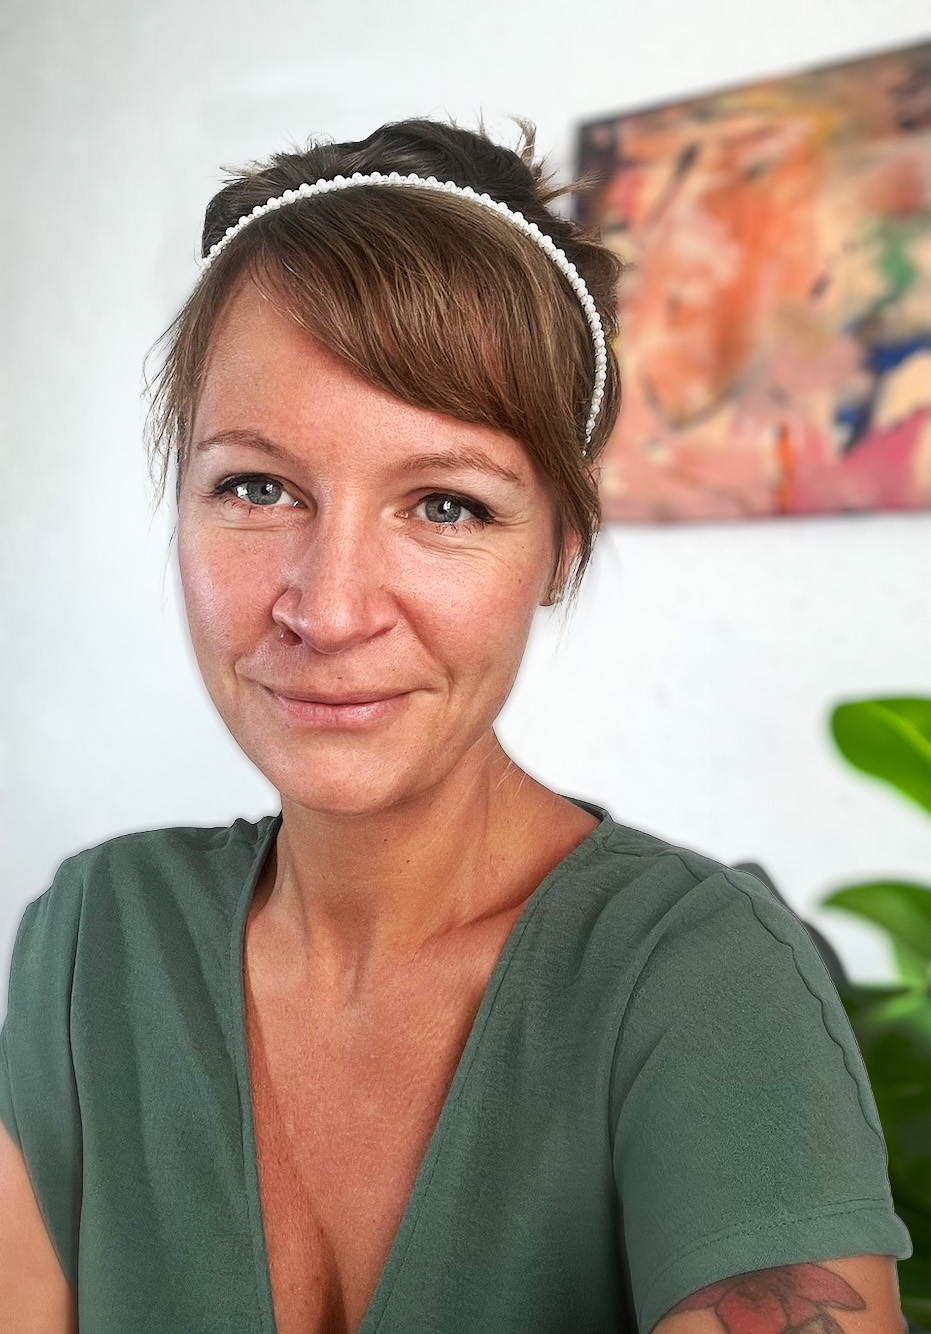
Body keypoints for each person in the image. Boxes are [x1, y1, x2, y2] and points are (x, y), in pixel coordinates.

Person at [0, 116, 912, 1334]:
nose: (328, 609)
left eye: (445, 504)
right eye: (255, 486)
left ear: (560, 552)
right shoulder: (93, 939)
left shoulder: (698, 977)